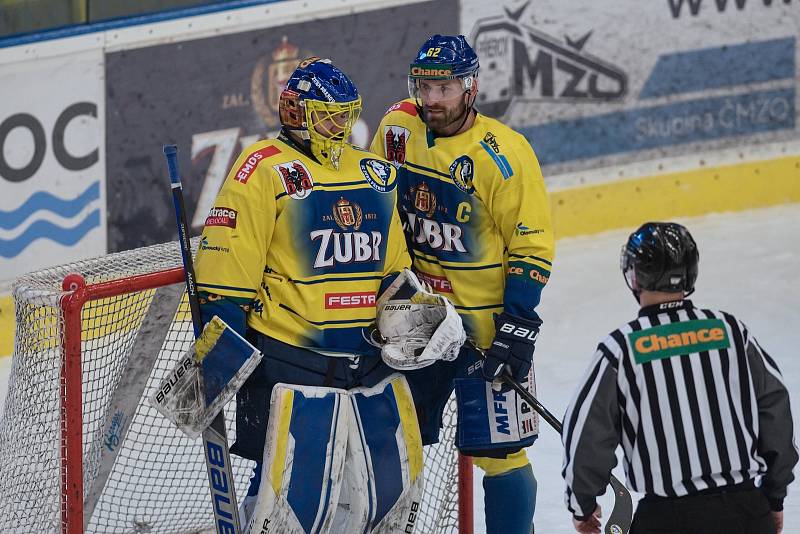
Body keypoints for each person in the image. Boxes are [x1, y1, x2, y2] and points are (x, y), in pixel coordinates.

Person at [193, 57, 424, 533]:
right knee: (282, 498)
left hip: (365, 369)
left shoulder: (375, 175)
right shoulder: (263, 170)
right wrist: (218, 361)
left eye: (346, 114)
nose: (339, 126)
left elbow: (393, 273)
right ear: (296, 113)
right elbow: (223, 277)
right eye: (328, 114)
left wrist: (422, 318)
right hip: (286, 369)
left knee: (373, 498)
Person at [370, 34, 555, 534]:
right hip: (413, 322)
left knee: (501, 456)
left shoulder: (506, 154)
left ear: (470, 87)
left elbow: (531, 245)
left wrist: (518, 323)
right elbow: (377, 211)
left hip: (485, 333)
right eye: (424, 86)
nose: (431, 98)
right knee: (386, 439)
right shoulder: (396, 128)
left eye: (445, 87)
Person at [562, 222, 798, 534]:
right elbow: (776, 410)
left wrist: (582, 505)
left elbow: (585, 435)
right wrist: (774, 496)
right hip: (747, 511)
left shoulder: (620, 349)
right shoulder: (731, 331)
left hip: (667, 519)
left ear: (634, 277)